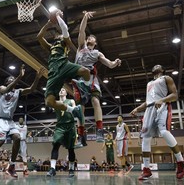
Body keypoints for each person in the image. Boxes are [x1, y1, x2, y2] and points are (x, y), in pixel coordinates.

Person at [0, 65, 45, 179]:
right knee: (0, 141)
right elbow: (6, 89)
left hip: (10, 120)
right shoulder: (2, 89)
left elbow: (31, 89)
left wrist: (37, 77)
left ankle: (11, 166)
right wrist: (19, 76)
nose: (12, 80)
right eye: (10, 80)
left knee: (17, 137)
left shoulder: (17, 92)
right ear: (6, 82)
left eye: (14, 79)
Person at [130, 65, 184, 180]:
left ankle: (181, 162)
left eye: (158, 66)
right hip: (149, 109)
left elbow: (175, 95)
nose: (155, 66)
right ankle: (146, 169)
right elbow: (148, 102)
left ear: (162, 70)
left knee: (164, 132)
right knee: (145, 138)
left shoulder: (166, 78)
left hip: (162, 106)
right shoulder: (149, 83)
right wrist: (137, 109)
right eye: (154, 66)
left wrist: (162, 100)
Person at [73, 11, 122, 144]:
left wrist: (115, 62)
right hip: (79, 78)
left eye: (92, 37)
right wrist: (85, 17)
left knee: (95, 101)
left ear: (96, 42)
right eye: (89, 37)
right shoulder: (81, 47)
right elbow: (81, 30)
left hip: (91, 79)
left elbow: (110, 64)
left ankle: (99, 130)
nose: (90, 37)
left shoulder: (97, 53)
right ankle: (81, 136)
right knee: (80, 108)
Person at [37, 10, 91, 125]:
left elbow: (65, 29)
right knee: (49, 102)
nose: (58, 34)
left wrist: (57, 16)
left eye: (59, 34)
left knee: (86, 71)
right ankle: (73, 110)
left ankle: (85, 88)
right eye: (57, 34)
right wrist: (48, 24)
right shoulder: (51, 47)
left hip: (65, 65)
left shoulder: (66, 41)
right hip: (53, 71)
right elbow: (39, 37)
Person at [46, 88, 78, 178]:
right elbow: (47, 111)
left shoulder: (71, 101)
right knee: (55, 145)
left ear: (66, 93)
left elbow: (76, 111)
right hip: (60, 126)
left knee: (71, 149)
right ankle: (52, 169)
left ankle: (71, 169)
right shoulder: (55, 102)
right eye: (59, 90)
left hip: (70, 126)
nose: (61, 90)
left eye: (63, 90)